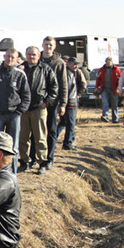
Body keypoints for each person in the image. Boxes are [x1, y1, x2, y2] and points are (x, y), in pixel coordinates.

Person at [0, 48, 31, 173]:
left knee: (13, 146)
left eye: (13, 57)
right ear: (4, 56)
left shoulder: (20, 74)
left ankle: (11, 172)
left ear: (16, 59)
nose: (10, 59)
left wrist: (19, 111)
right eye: (8, 56)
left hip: (14, 115)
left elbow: (26, 96)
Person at [18, 46, 57, 174]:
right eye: (29, 54)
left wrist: (47, 102)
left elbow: (54, 88)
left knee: (40, 137)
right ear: (25, 55)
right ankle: (25, 161)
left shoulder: (45, 69)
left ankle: (42, 163)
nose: (31, 57)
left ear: (38, 56)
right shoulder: (19, 69)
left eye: (34, 54)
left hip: (39, 108)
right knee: (23, 137)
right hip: (23, 108)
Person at [40, 36, 68, 170]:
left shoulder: (59, 62)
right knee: (37, 131)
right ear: (42, 45)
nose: (48, 47)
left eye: (50, 45)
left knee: (51, 130)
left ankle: (49, 158)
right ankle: (35, 158)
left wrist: (63, 103)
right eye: (46, 44)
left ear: (54, 46)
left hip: (52, 101)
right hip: (37, 102)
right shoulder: (36, 59)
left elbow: (63, 84)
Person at [57, 57, 87, 150]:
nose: (76, 66)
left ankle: (54, 140)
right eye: (74, 64)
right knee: (70, 123)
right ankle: (67, 144)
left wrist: (78, 94)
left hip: (70, 100)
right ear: (68, 64)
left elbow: (83, 84)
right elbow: (65, 89)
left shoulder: (77, 72)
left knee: (64, 123)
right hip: (69, 102)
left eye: (77, 64)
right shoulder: (65, 74)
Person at [94, 57, 122, 123]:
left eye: (109, 62)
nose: (108, 63)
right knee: (105, 102)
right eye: (107, 62)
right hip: (104, 89)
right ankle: (105, 116)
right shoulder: (101, 70)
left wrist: (118, 88)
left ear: (112, 62)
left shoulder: (117, 69)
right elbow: (98, 79)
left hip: (114, 89)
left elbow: (120, 80)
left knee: (114, 104)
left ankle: (115, 119)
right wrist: (96, 87)